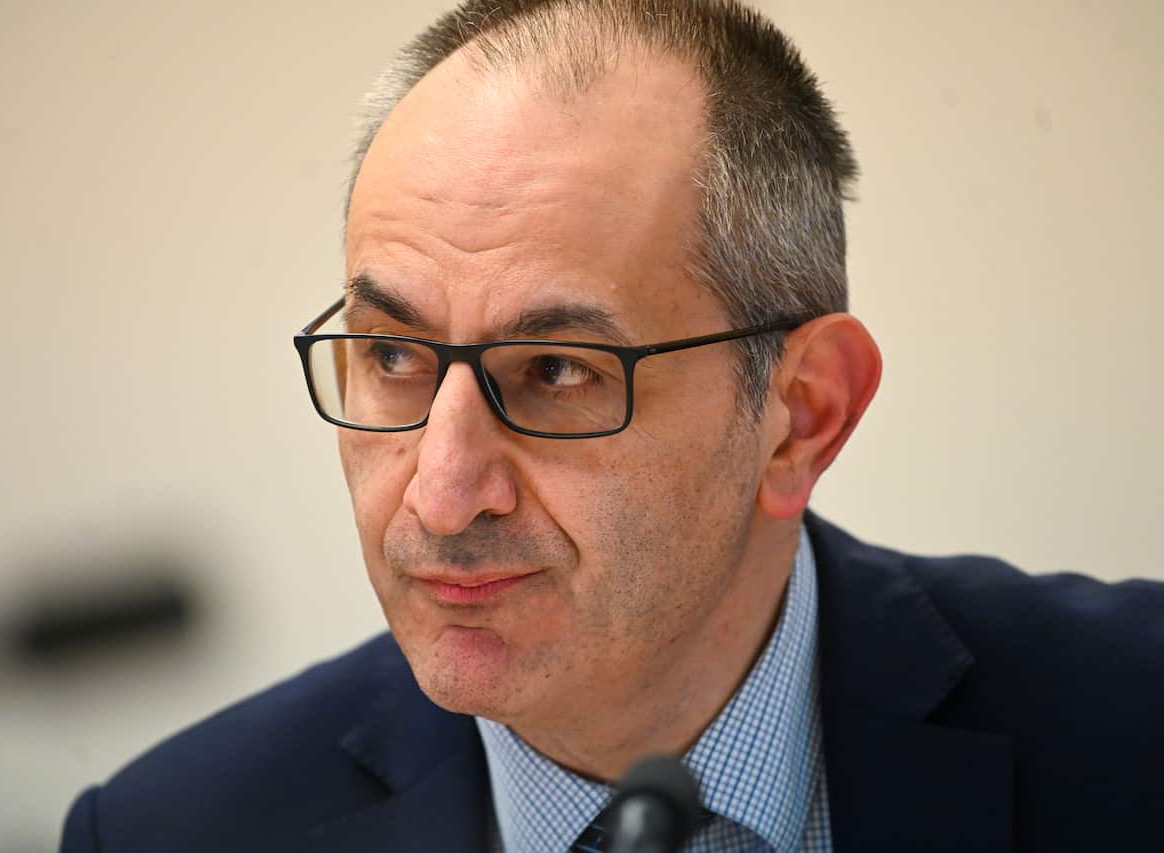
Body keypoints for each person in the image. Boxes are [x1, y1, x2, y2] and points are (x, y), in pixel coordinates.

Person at [58, 1, 1164, 851]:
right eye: (392, 355)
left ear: (801, 416)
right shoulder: (174, 829)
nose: (440, 495)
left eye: (554, 371)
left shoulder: (1130, 727)